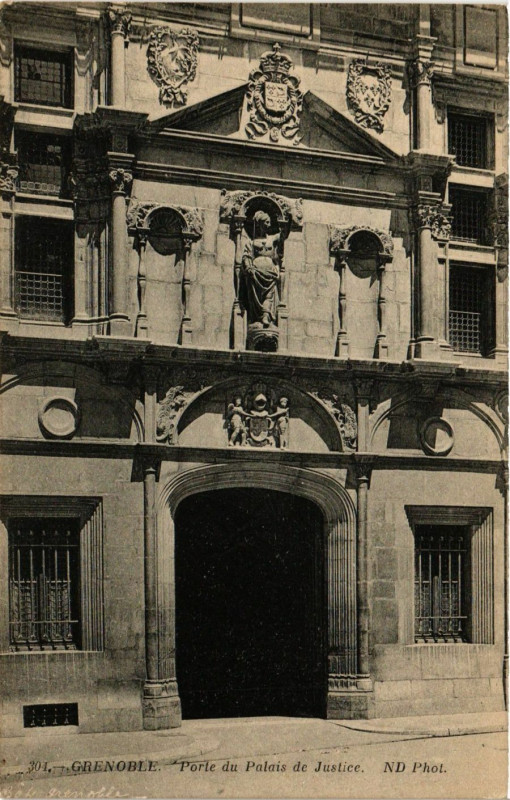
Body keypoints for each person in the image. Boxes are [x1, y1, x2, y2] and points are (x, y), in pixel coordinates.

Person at [239, 211, 280, 329]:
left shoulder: (271, 239)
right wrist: (248, 267)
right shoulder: (251, 242)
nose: (269, 224)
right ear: (260, 223)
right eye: (266, 222)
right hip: (256, 274)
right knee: (257, 297)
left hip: (270, 273)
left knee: (269, 296)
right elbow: (246, 256)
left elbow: (282, 234)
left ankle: (266, 316)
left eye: (269, 222)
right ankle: (257, 317)